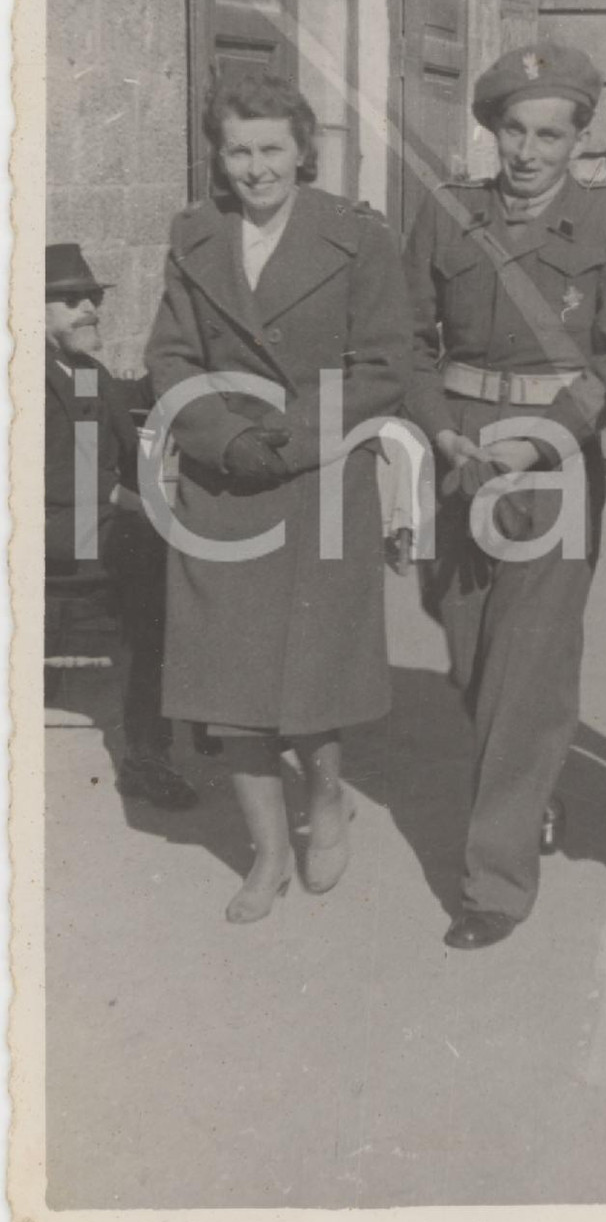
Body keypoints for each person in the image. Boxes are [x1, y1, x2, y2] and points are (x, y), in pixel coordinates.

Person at [145, 75, 411, 923]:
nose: (255, 167)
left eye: (270, 148)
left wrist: (290, 441)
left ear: (303, 149)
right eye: (238, 150)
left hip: (320, 475)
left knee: (311, 672)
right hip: (222, 480)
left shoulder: (357, 238)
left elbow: (382, 365)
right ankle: (265, 855)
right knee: (228, 677)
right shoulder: (195, 236)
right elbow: (171, 359)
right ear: (218, 157)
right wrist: (223, 438)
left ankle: (326, 797)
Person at [403, 41, 606, 950]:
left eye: (552, 134)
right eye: (516, 130)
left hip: (556, 465)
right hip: (461, 454)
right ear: (492, 129)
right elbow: (405, 341)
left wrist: (550, 437)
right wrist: (437, 426)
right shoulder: (447, 214)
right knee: (472, 654)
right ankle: (532, 788)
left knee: (526, 669)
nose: (530, 151)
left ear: (580, 138)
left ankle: (494, 883)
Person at [45, 244, 198, 809]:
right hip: (43, 531)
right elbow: (47, 475)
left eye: (93, 297)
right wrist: (130, 501)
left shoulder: (82, 370)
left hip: (88, 520)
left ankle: (189, 716)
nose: (89, 308)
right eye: (69, 300)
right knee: (160, 566)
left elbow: (116, 413)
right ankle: (148, 753)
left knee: (178, 548)